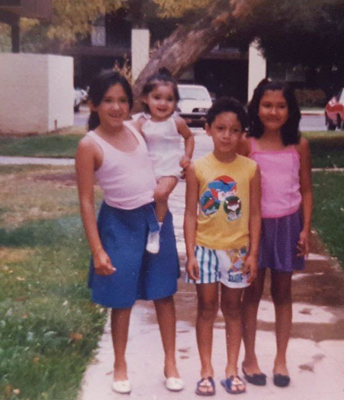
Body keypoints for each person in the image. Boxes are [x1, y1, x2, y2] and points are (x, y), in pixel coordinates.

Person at [75, 69, 183, 394]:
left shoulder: (137, 129)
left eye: (123, 100)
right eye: (108, 101)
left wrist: (172, 179)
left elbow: (167, 155)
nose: (117, 107)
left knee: (164, 294)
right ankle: (120, 364)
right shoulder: (89, 145)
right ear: (93, 104)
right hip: (118, 225)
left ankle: (171, 362)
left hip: (154, 221)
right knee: (122, 299)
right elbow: (84, 202)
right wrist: (97, 250)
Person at [184, 97, 261, 396]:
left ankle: (231, 369)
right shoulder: (197, 168)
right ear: (207, 130)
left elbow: (254, 214)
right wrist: (190, 253)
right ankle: (206, 370)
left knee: (233, 308)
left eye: (234, 129)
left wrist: (253, 253)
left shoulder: (251, 169)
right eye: (220, 128)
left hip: (237, 251)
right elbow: (191, 213)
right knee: (206, 308)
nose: (227, 135)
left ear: (243, 133)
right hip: (203, 248)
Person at [239, 80, 313, 388]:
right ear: (257, 107)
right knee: (252, 292)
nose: (273, 111)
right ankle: (249, 358)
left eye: (281, 106)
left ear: (290, 110)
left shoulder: (300, 145)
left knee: (283, 293)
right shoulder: (247, 143)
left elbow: (306, 190)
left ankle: (281, 359)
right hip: (253, 227)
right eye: (267, 105)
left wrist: (305, 229)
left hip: (288, 225)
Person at [136, 69, 194, 254]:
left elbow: (189, 138)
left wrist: (187, 156)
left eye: (169, 99)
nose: (163, 103)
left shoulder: (176, 122)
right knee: (146, 198)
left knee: (161, 194)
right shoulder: (141, 122)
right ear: (146, 98)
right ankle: (147, 226)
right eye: (157, 97)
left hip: (170, 167)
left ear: (175, 102)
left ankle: (156, 231)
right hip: (148, 168)